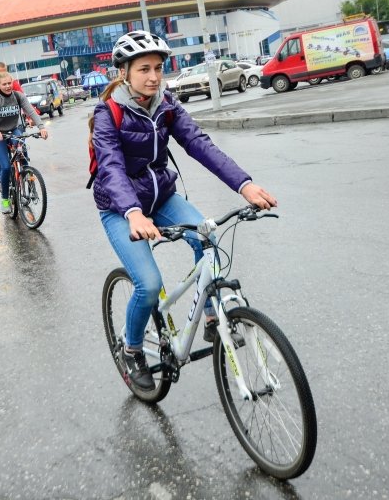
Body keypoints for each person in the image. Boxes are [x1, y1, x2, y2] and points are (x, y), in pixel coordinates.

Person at [90, 30, 276, 390]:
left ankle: (212, 318)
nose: (154, 76)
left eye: (158, 68)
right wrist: (133, 212)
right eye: (144, 69)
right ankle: (131, 350)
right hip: (120, 208)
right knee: (147, 283)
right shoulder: (107, 113)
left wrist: (245, 184)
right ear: (124, 73)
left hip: (161, 198)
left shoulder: (167, 105)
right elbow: (110, 167)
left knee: (208, 238)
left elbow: (199, 144)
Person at [0, 71, 48, 213]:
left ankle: (29, 185)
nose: (8, 86)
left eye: (10, 83)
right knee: (6, 167)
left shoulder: (18, 96)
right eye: (4, 84)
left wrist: (41, 127)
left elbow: (31, 111)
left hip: (14, 130)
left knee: (23, 156)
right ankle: (5, 200)